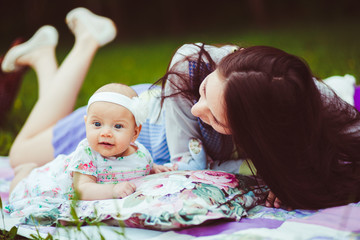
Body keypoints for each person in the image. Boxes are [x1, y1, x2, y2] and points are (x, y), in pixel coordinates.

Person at [3, 7, 360, 210]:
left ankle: (43, 57)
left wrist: (289, 178)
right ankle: (85, 41)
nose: (196, 111)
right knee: (21, 154)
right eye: (205, 91)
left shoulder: (301, 104)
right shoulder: (203, 63)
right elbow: (187, 172)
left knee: (29, 149)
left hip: (143, 133)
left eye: (215, 117)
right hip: (132, 123)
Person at [8, 82, 175, 218]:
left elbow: (142, 166)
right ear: (86, 123)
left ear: (135, 133)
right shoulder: (87, 153)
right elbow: (82, 189)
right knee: (20, 191)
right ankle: (24, 171)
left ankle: (28, 169)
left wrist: (153, 169)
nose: (105, 132)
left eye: (117, 126)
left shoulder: (140, 152)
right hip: (53, 184)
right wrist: (113, 190)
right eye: (97, 124)